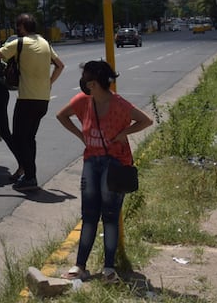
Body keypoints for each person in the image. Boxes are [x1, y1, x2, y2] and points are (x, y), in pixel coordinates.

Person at [55, 60, 153, 284]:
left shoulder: (118, 104)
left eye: (87, 78)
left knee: (109, 216)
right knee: (89, 216)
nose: (83, 82)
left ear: (94, 83)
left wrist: (124, 133)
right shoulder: (83, 101)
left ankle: (109, 269)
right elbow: (61, 115)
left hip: (114, 164)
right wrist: (81, 136)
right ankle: (80, 266)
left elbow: (146, 120)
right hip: (92, 162)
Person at [0, 13, 65, 192]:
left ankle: (30, 176)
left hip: (27, 99)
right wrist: (49, 83)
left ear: (22, 27)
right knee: (29, 138)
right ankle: (29, 174)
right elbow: (60, 65)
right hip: (43, 99)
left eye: (18, 26)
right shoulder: (45, 43)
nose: (17, 29)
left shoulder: (20, 43)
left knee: (19, 137)